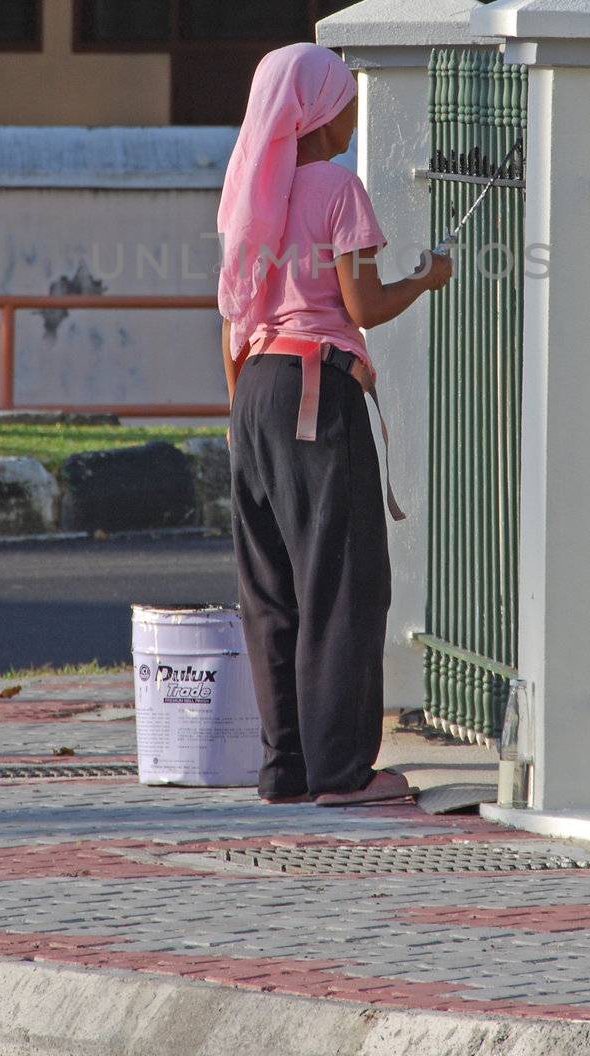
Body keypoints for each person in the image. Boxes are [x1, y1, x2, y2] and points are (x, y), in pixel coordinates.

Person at [218, 42, 453, 806]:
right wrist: (426, 277)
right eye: (346, 99)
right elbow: (363, 308)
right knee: (343, 584)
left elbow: (234, 317)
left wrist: (240, 416)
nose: (355, 111)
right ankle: (344, 773)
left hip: (253, 389)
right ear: (320, 112)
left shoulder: (251, 186)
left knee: (273, 590)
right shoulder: (335, 186)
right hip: (317, 390)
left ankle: (283, 768)